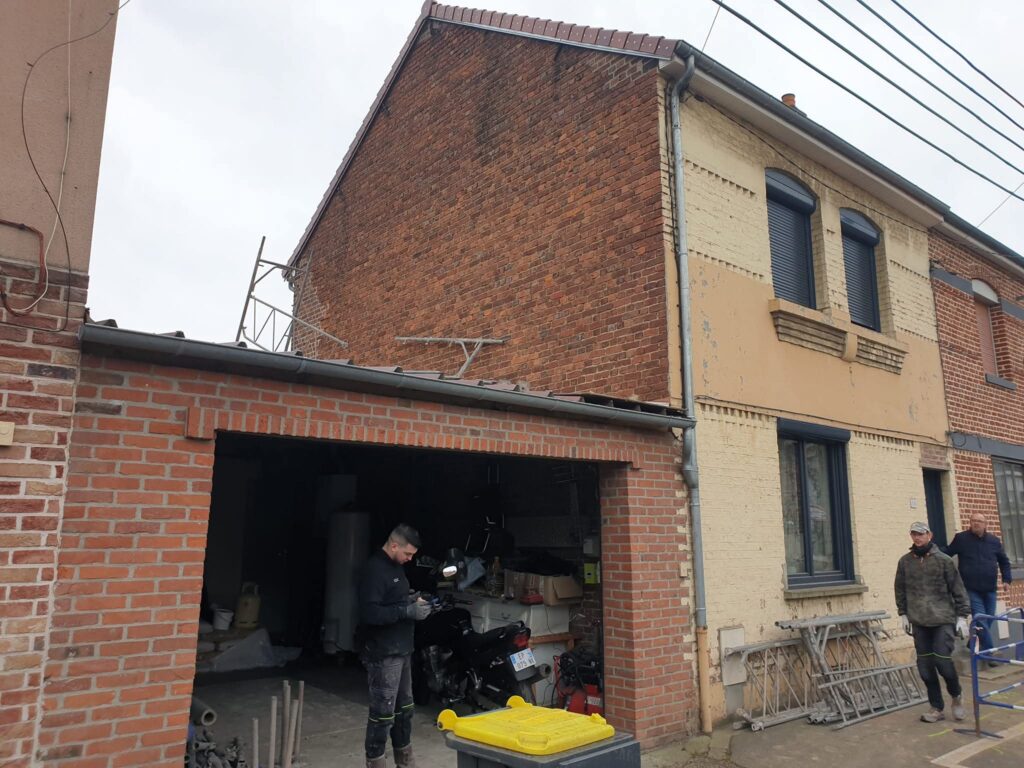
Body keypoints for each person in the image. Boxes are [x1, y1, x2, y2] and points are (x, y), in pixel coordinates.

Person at [358, 524, 432, 768]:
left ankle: (405, 761)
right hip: (383, 652)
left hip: (402, 649)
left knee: (405, 709)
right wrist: (406, 611)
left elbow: (392, 600)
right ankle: (376, 762)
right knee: (383, 714)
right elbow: (370, 613)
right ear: (393, 545)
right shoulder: (374, 570)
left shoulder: (397, 567)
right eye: (407, 554)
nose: (410, 559)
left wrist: (411, 600)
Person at [894, 521, 971, 723]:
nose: (917, 537)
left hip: (942, 620)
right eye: (914, 534)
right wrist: (903, 614)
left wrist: (962, 617)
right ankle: (936, 707)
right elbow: (900, 589)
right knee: (926, 668)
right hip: (919, 621)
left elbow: (958, 589)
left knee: (943, 662)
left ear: (930, 535)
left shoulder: (944, 561)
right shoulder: (905, 562)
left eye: (921, 534)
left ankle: (956, 696)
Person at [945, 513, 1012, 664]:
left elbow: (1004, 561)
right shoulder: (962, 539)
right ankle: (990, 653)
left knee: (989, 619)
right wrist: (931, 550)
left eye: (979, 521)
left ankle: (973, 640)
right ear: (970, 523)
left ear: (985, 524)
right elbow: (948, 552)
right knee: (980, 618)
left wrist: (1006, 579)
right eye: (973, 520)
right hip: (971, 588)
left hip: (990, 588)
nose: (976, 523)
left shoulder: (994, 541)